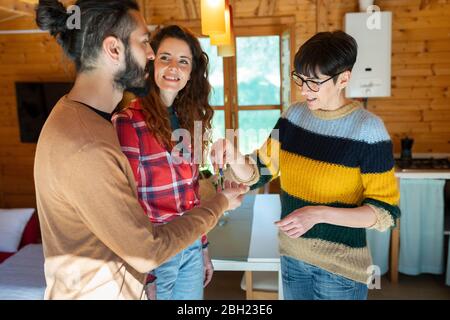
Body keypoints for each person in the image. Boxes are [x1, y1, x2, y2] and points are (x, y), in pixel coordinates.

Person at [34, 0, 248, 300]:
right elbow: (146, 252)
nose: (151, 55)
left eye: (183, 61)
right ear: (113, 49)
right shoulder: (90, 143)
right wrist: (220, 203)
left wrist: (201, 245)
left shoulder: (82, 120)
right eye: (146, 42)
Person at [211, 31, 400, 300]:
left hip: (341, 270)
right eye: (300, 78)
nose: (303, 89)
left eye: (314, 82)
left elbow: (384, 212)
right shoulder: (293, 117)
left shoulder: (368, 130)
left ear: (343, 79)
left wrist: (318, 214)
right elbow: (258, 171)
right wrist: (233, 156)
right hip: (292, 259)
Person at [112, 25, 216, 300]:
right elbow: (125, 204)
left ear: (191, 72)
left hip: (191, 245)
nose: (174, 67)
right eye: (165, 57)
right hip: (157, 253)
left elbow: (190, 195)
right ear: (151, 63)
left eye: (183, 61)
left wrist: (203, 247)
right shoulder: (128, 122)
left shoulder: (188, 120)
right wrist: (143, 272)